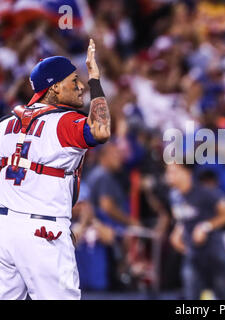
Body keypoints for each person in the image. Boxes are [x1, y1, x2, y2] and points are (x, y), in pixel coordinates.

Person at [0, 39, 111, 299]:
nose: (81, 85)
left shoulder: (5, 124)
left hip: (4, 230)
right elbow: (101, 129)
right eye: (74, 81)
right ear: (54, 88)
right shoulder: (64, 122)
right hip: (43, 233)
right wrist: (96, 79)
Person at [166, 162, 225, 300]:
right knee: (191, 295)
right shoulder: (175, 196)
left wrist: (206, 226)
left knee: (223, 296)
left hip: (214, 253)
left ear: (186, 173)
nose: (169, 176)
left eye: (173, 171)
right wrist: (178, 231)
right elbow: (185, 217)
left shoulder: (205, 192)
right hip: (193, 254)